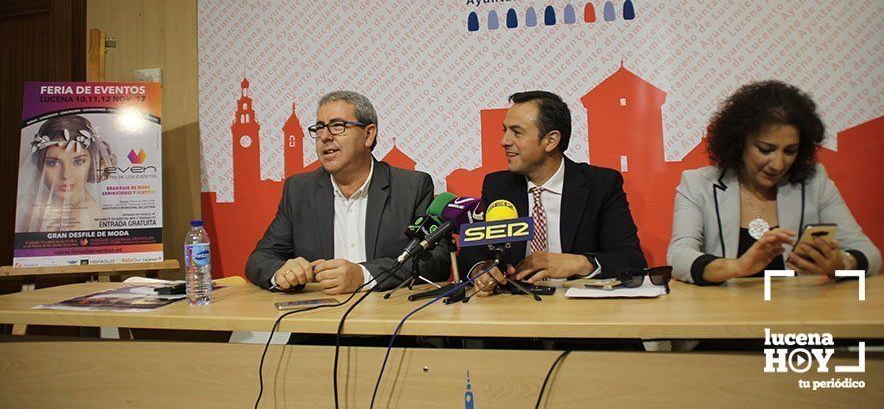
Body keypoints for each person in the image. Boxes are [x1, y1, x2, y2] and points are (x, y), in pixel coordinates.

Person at [668, 81, 882, 285]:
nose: (778, 164)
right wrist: (737, 267)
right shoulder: (698, 184)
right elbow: (678, 257)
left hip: (799, 319)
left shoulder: (815, 182)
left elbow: (870, 255)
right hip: (726, 318)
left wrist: (841, 264)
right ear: (740, 142)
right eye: (765, 149)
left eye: (790, 151)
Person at [245, 91, 449, 294]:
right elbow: (261, 258)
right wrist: (282, 272)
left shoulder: (411, 187)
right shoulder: (299, 190)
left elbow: (437, 261)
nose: (325, 136)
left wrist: (364, 275)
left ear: (368, 135)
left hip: (388, 319)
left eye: (337, 126)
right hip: (319, 320)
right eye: (319, 128)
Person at [458, 91, 647, 296]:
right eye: (505, 130)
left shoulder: (600, 185)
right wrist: (480, 269)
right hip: (515, 308)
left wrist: (579, 263)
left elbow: (631, 260)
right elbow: (472, 251)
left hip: (581, 311)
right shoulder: (498, 186)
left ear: (551, 140)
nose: (504, 141)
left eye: (517, 132)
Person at [15, 115, 114, 233]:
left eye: (78, 161)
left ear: (92, 163)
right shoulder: (44, 206)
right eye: (53, 163)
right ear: (40, 164)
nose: (66, 175)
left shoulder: (78, 217)